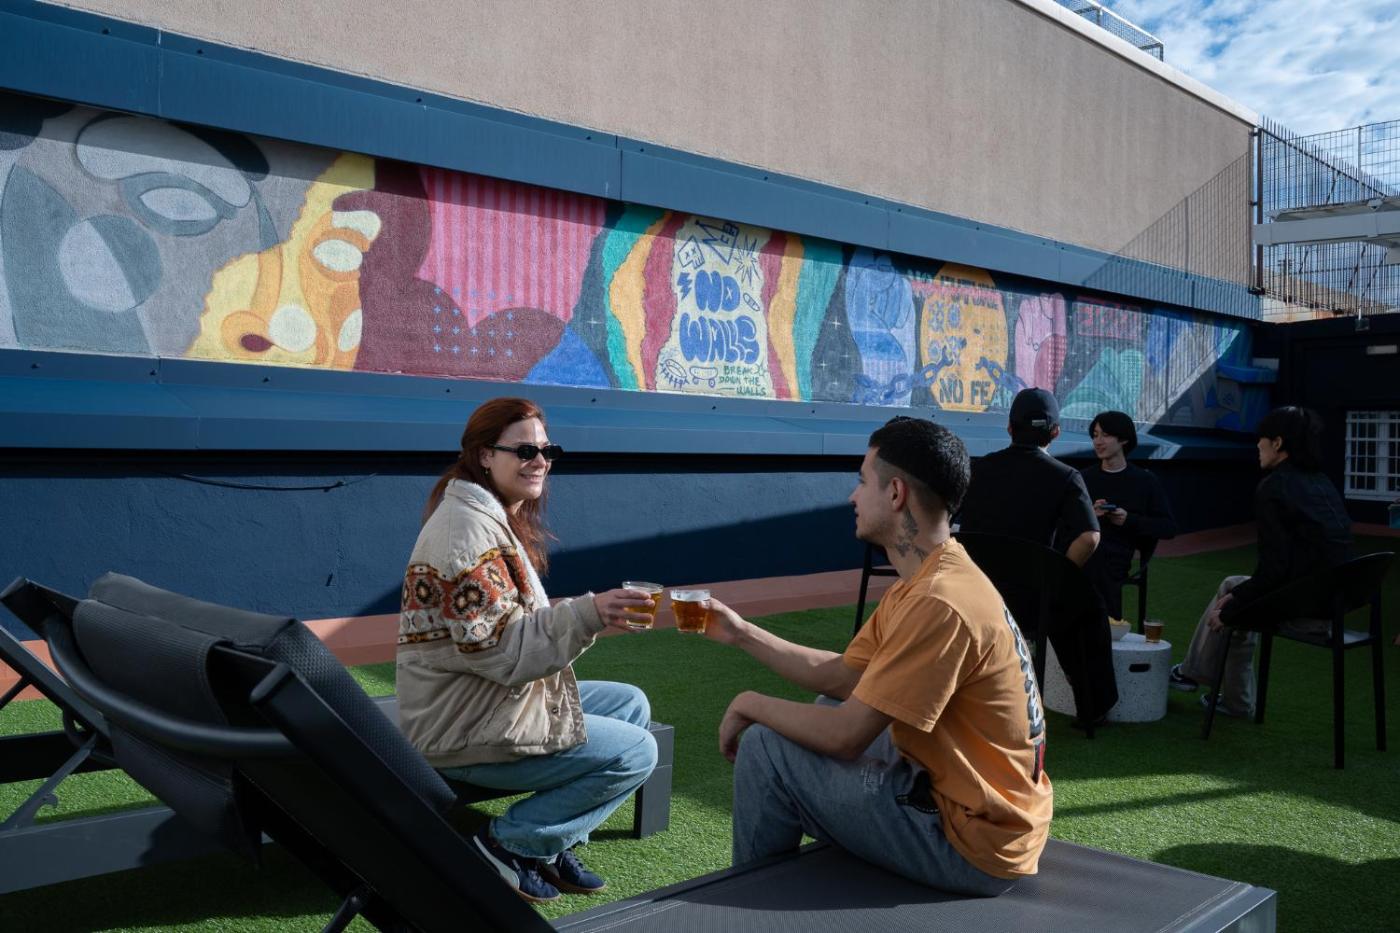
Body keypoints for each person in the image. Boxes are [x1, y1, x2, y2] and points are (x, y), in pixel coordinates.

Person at [704, 417, 1052, 895]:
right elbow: (843, 677)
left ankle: (749, 903)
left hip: (972, 844)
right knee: (830, 705)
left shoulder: (939, 601)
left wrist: (749, 703)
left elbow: (846, 738)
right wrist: (742, 633)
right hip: (988, 811)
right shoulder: (935, 576)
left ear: (895, 493)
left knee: (767, 749)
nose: (853, 496)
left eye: (862, 481)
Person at [396, 397, 659, 903]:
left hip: (481, 700)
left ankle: (551, 843)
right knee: (637, 751)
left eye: (546, 450)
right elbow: (503, 656)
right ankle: (508, 843)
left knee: (631, 703)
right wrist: (589, 613)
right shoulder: (465, 535)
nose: (539, 461)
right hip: (458, 727)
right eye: (523, 451)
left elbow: (504, 636)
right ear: (484, 455)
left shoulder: (488, 516)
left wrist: (590, 615)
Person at [1170, 406, 1352, 718]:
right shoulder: (1321, 482)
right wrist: (1238, 597)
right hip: (1332, 603)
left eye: (1261, 439)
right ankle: (1223, 693)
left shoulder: (1274, 487)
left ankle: (1197, 676)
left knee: (1233, 604)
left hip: (1305, 610)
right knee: (1232, 588)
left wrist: (1234, 605)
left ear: (1277, 443)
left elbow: (1274, 570)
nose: (1257, 445)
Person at [957, 387, 1117, 725]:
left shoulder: (977, 470)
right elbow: (1089, 537)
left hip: (974, 592)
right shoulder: (1066, 476)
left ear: (1010, 428)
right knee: (1087, 608)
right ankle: (1092, 707)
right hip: (1032, 600)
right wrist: (1058, 577)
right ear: (1055, 432)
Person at [1081, 410, 1178, 620]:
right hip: (1086, 549)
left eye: (1105, 435)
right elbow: (1066, 522)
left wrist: (1129, 520)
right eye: (1095, 435)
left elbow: (1168, 527)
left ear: (1123, 439)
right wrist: (1091, 514)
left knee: (1096, 565)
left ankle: (1105, 625)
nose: (1098, 441)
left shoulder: (1145, 481)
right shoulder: (1084, 478)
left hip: (1116, 555)